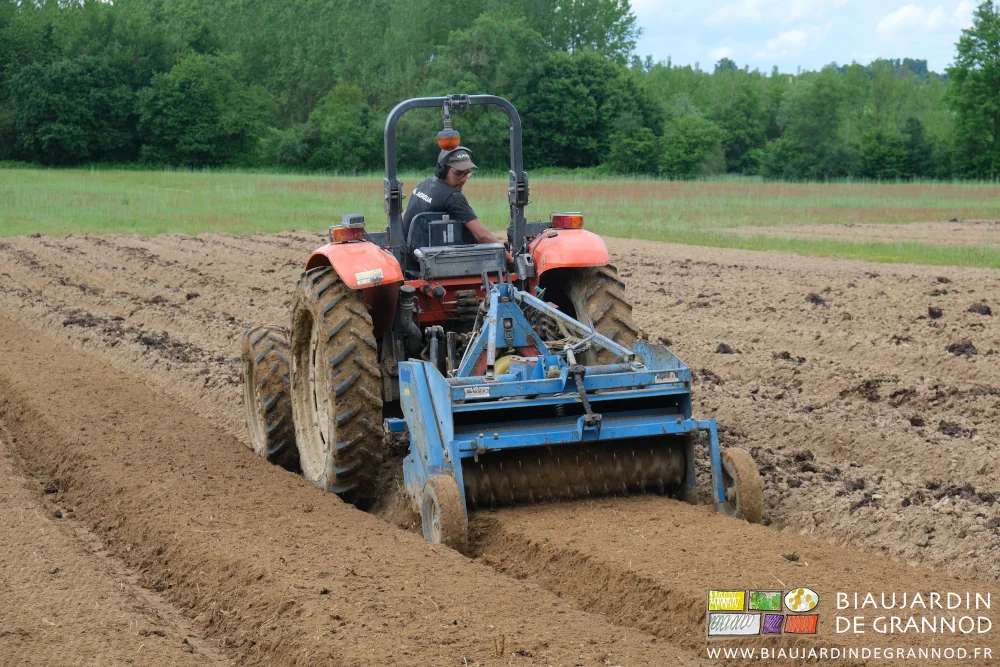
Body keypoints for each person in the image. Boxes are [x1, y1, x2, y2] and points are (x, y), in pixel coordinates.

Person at [402, 147, 513, 262]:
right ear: (442, 171)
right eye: (458, 173)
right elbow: (483, 236)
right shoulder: (453, 197)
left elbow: (404, 216)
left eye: (467, 174)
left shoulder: (424, 183)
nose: (464, 179)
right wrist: (510, 260)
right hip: (424, 263)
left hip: (407, 257)